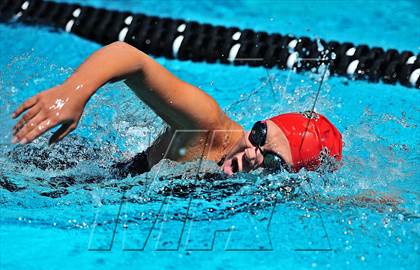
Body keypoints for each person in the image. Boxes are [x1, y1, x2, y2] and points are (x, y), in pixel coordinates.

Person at [11, 42, 343, 176]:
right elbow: (128, 57)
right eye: (260, 134)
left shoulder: (270, 188)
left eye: (272, 160)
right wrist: (72, 94)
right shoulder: (209, 128)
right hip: (67, 178)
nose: (255, 153)